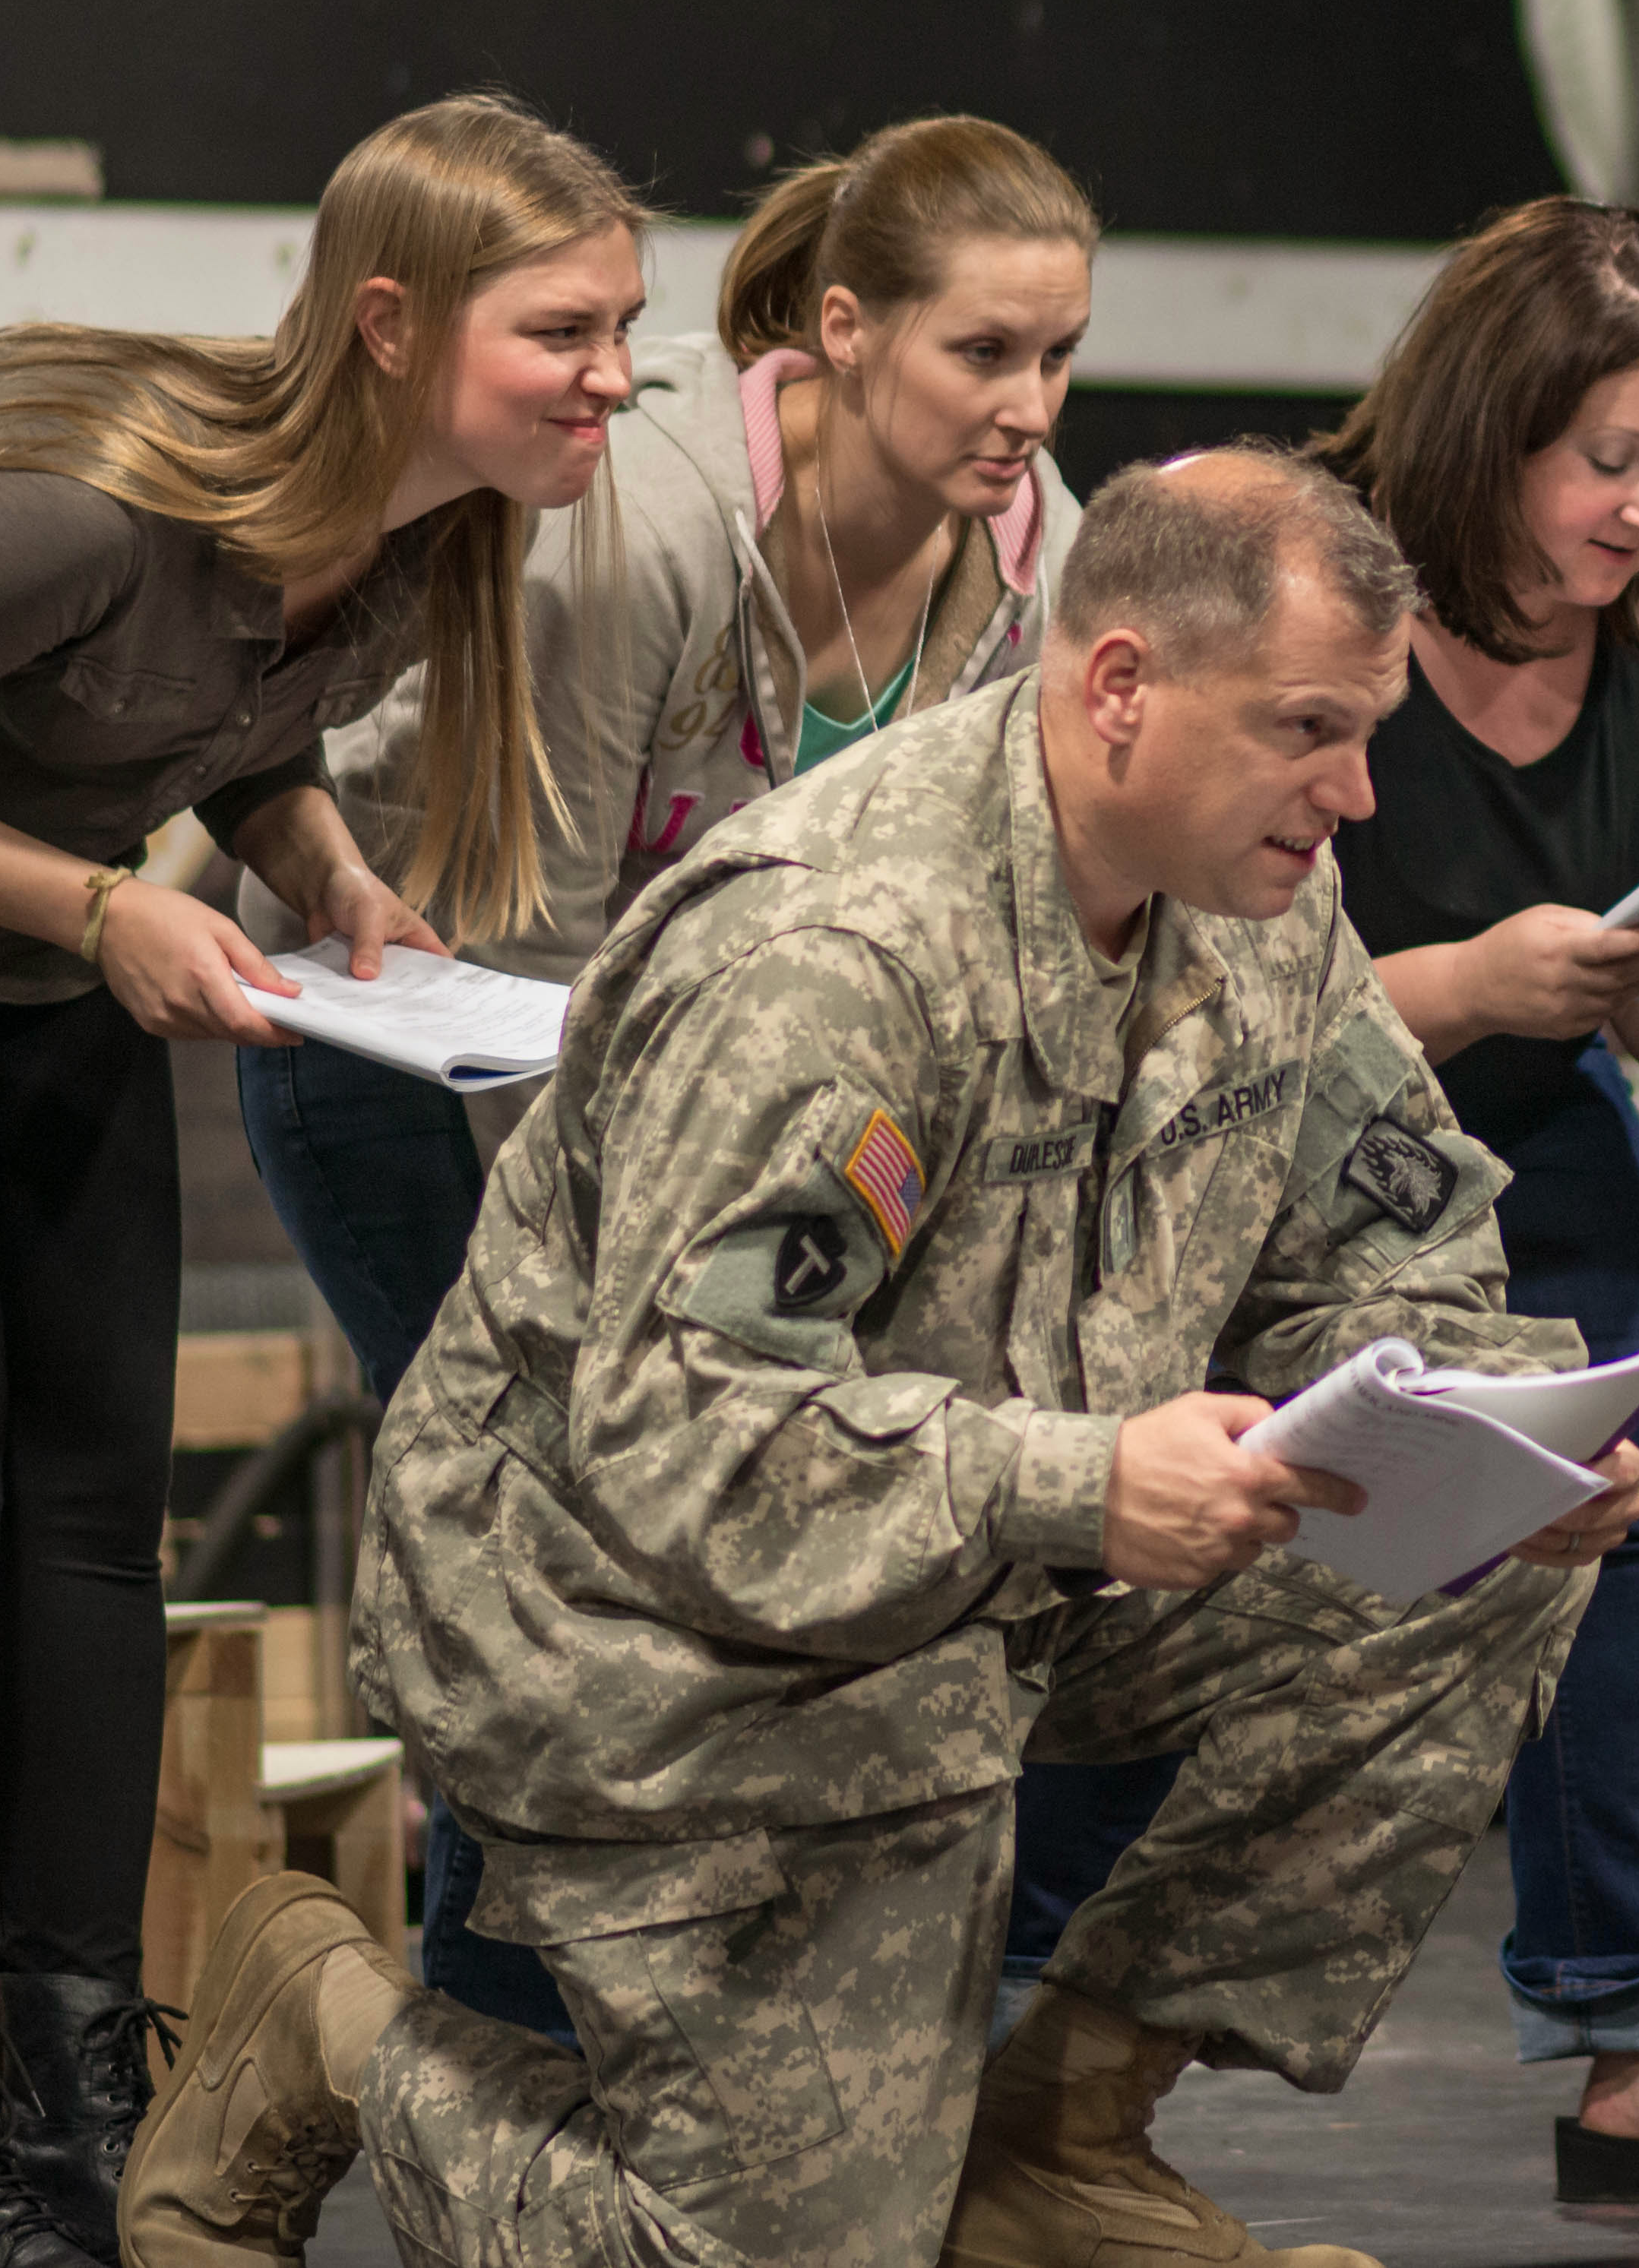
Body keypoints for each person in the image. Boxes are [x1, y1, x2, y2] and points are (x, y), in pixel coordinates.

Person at [121, 451, 1635, 2268]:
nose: (1359, 790)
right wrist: (1082, 1483)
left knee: (1465, 1567)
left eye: (1366, 730)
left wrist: (1488, 1432)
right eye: (1310, 724)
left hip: (980, 1575)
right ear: (1122, 685)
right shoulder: (836, 952)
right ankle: (331, 2029)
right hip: (644, 1632)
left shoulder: (1261, 896)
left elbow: (1394, 1245)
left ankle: (1057, 2136)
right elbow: (686, 1441)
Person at [0, 94, 645, 2268]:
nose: (616, 377)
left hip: (22, 903)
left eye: (628, 330)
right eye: (567, 330)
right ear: (388, 323)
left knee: (93, 1498)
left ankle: (76, 2103)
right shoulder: (79, 512)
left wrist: (334, 876)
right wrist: (92, 918)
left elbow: (227, 730)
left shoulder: (431, 539)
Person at [231, 112, 1095, 2042]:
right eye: (984, 355)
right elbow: (512, 975)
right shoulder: (637, 527)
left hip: (694, 1120)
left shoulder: (1036, 557)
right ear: (848, 332)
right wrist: (640, 1327)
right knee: (543, 1524)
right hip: (416, 1053)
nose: (1030, 404)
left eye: (1059, 358)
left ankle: (728, 2044)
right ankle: (485, 2039)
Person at [1011, 199, 1639, 2203]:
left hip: (1530, 1124)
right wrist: (1464, 980)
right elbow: (1157, 985)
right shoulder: (1303, 579)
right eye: (1606, 460)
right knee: (1176, 1538)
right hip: (1232, 1144)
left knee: (1632, 1483)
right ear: (1488, 428)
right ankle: (1015, 2005)